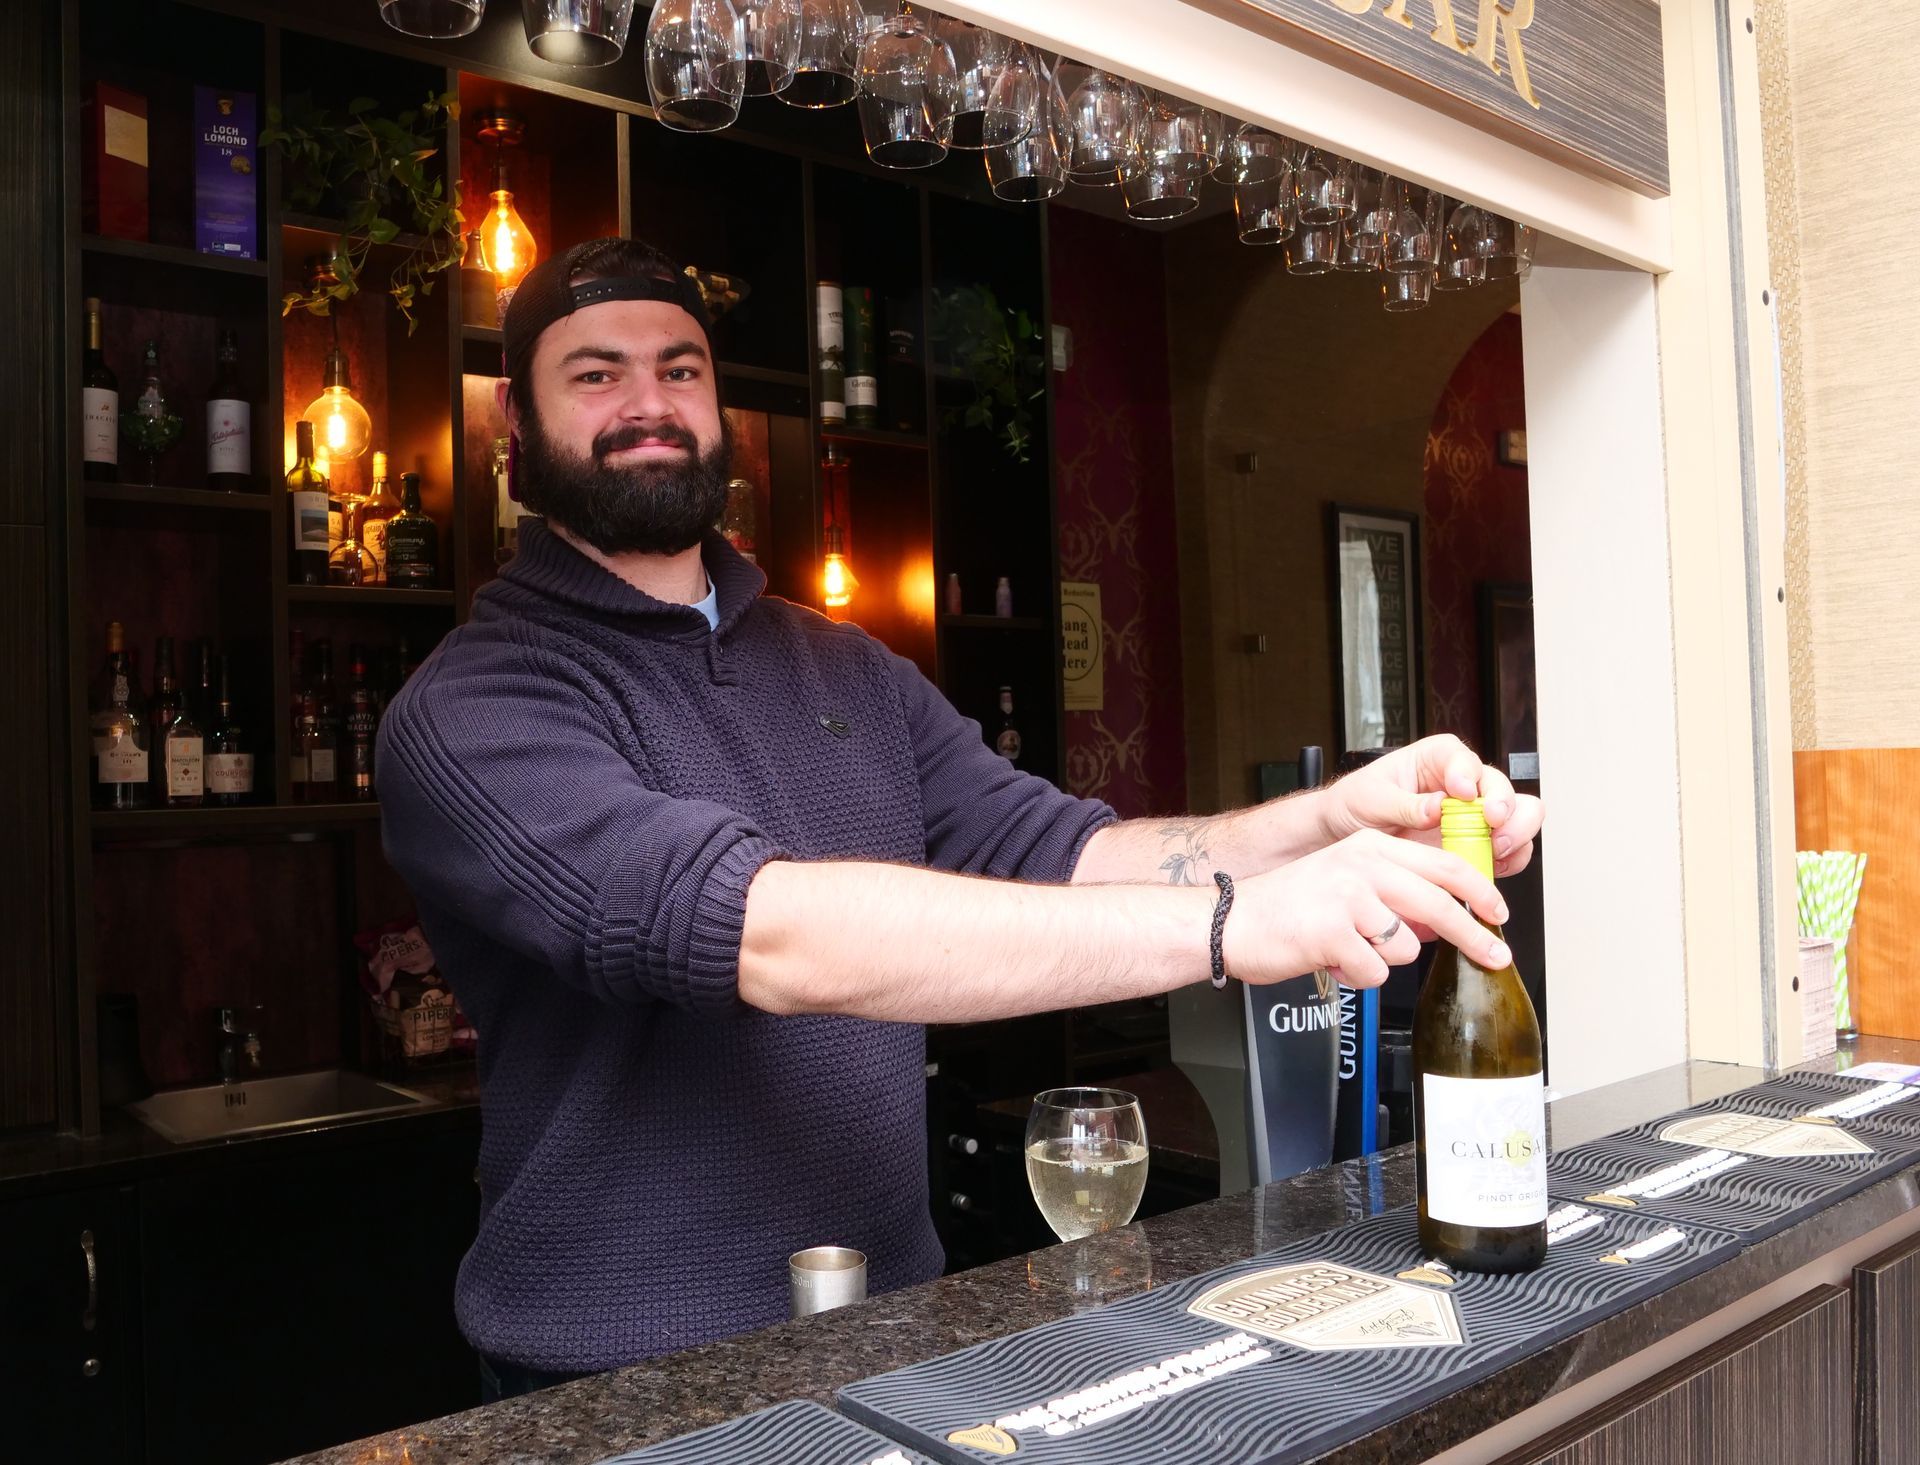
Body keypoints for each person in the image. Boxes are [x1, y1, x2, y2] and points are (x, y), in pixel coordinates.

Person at [376, 237, 1543, 1400]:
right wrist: (1234, 923)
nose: (650, 401)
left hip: (890, 1329)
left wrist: (1326, 825)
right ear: (513, 429)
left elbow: (1067, 851)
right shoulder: (475, 706)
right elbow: (760, 934)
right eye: (596, 373)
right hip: (618, 1379)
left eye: (682, 369)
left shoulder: (845, 666)